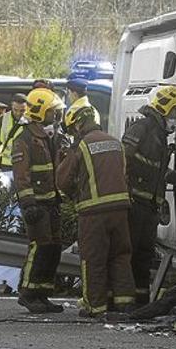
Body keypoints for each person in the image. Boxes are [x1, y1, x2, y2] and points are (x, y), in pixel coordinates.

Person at [122, 85, 176, 304]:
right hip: (135, 204)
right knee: (130, 255)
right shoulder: (142, 129)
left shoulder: (158, 134)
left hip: (149, 207)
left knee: (143, 257)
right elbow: (124, 161)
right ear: (165, 107)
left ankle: (139, 302)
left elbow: (157, 171)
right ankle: (122, 302)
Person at [57, 97, 134, 317]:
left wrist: (73, 195)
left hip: (93, 212)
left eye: (72, 129)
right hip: (121, 210)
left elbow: (62, 180)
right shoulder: (115, 142)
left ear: (78, 125)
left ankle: (95, 306)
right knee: (121, 256)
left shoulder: (81, 146)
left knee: (93, 259)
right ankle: (124, 302)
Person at [12, 88, 66, 313]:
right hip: (37, 204)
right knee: (39, 247)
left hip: (51, 202)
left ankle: (42, 294)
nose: (56, 117)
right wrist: (28, 204)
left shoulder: (49, 136)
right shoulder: (24, 138)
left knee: (53, 248)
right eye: (53, 112)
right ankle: (27, 292)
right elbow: (21, 175)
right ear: (41, 112)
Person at [0, 94, 28, 172]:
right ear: (11, 106)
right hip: (6, 166)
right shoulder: (3, 119)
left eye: (22, 110)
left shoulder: (30, 121)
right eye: (15, 110)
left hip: (24, 166)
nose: (18, 113)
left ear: (27, 108)